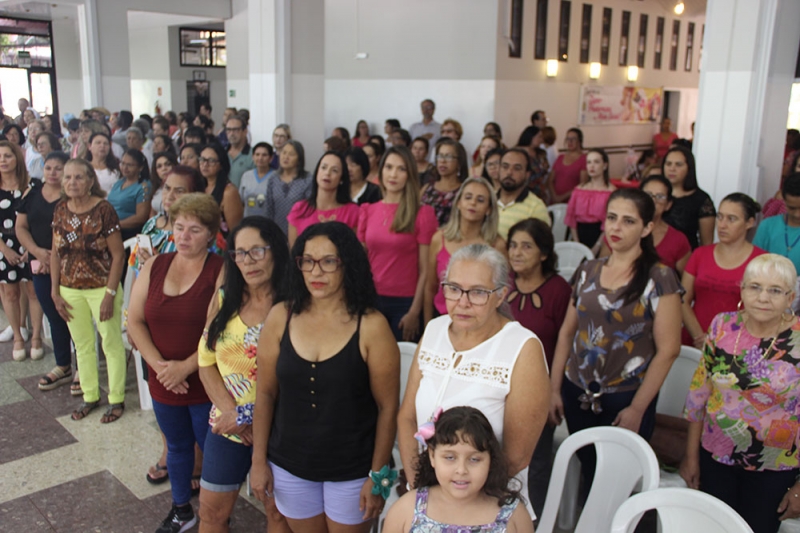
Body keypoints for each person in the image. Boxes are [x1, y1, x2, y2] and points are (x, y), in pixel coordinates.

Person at [250, 221, 400, 532]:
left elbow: (388, 408)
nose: (316, 272)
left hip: (353, 469)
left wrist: (377, 476)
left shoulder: (372, 325)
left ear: (348, 265)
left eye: (329, 261)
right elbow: (264, 393)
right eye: (307, 261)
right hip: (289, 465)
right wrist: (258, 460)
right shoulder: (281, 316)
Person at [398, 244, 550, 519]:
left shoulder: (522, 348)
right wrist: (420, 489)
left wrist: (452, 500)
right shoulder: (434, 330)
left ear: (501, 294)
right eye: (453, 288)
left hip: (489, 503)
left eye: (478, 292)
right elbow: (407, 417)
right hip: (425, 496)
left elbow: (516, 456)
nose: (463, 301)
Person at [548, 188, 683, 486]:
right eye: (611, 218)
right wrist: (554, 388)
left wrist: (638, 408)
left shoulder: (659, 277)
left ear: (647, 227)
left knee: (616, 480)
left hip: (625, 395)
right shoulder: (587, 271)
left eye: (628, 221)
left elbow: (669, 350)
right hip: (577, 389)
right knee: (588, 472)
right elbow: (567, 332)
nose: (616, 228)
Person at [681, 254, 800, 533]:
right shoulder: (722, 326)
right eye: (754, 287)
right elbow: (699, 394)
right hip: (716, 456)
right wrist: (690, 456)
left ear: (790, 298)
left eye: (775, 290)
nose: (763, 297)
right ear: (742, 290)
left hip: (774, 466)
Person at [127, 193, 224, 533]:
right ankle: (181, 510)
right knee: (177, 446)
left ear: (211, 234)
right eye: (179, 227)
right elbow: (135, 320)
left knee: (213, 455)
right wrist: (161, 367)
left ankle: (216, 517)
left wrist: (184, 367)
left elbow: (223, 332)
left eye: (194, 230)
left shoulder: (220, 271)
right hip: (163, 380)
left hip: (205, 382)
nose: (183, 236)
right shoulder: (155, 265)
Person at [197, 217, 291, 532]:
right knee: (211, 515)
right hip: (229, 425)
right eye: (239, 254)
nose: (247, 262)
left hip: (281, 429)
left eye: (257, 252)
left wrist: (250, 415)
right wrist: (233, 412)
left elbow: (301, 378)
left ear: (276, 251)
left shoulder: (295, 306)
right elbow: (205, 360)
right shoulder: (226, 298)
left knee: (278, 515)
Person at [51, 158, 126, 423]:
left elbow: (118, 255)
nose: (72, 182)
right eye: (68, 177)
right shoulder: (61, 209)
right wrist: (55, 291)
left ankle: (116, 399)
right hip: (69, 288)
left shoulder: (103, 209)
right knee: (82, 345)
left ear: (91, 180)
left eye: (79, 177)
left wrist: (110, 293)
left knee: (111, 343)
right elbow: (55, 253)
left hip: (101, 287)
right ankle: (90, 395)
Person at [505, 218, 570, 516]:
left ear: (544, 253)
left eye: (526, 246)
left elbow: (565, 343)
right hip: (500, 385)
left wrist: (554, 391)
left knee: (536, 463)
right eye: (513, 245)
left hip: (538, 389)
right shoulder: (502, 284)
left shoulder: (558, 290)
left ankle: (535, 521)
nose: (517, 253)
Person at [383, 406, 533, 533]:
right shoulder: (405, 509)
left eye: (474, 459)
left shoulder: (514, 516)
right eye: (450, 458)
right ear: (432, 456)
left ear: (490, 460)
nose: (461, 470)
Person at [358, 146, 438, 341]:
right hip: (371, 300)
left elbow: (425, 270)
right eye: (388, 167)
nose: (393, 174)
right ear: (380, 170)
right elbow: (361, 262)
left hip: (405, 303)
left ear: (409, 174)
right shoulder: (368, 210)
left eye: (401, 169)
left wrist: (414, 312)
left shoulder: (422, 214)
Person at [17, 151, 74, 386]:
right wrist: (38, 252)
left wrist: (55, 256)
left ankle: (83, 366)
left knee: (72, 314)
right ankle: (63, 364)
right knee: (53, 314)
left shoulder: (71, 196)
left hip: (69, 264)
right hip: (40, 263)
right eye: (48, 168)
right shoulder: (32, 193)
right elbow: (21, 227)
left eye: (58, 168)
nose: (52, 173)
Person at [681, 193, 766, 348]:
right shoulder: (700, 254)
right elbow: (683, 300)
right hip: (694, 340)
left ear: (749, 223)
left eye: (731, 219)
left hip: (738, 345)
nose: (722, 224)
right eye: (720, 217)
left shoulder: (761, 261)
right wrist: (699, 336)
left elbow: (762, 309)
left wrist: (726, 341)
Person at [423, 177, 506, 325]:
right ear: (459, 203)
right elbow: (430, 288)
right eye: (468, 197)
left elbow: (500, 294)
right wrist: (428, 326)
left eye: (480, 200)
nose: (473, 203)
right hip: (441, 318)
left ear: (489, 209)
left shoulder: (497, 245)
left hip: (479, 323)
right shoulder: (438, 239)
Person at [0, 141, 43, 362]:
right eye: (0, 157)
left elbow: (40, 217)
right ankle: (18, 335)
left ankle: (36, 336)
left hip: (30, 243)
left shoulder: (32, 185)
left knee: (34, 291)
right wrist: (5, 249)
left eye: (7, 156)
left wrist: (30, 246)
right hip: (3, 247)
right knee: (10, 293)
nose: (3, 160)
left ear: (17, 157)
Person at [598, 175, 692, 274]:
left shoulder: (678, 240)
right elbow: (602, 268)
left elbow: (686, 282)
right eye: (648, 194)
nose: (653, 200)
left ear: (668, 204)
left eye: (660, 196)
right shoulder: (617, 233)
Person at [287, 151, 360, 248]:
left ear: (341, 179)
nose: (327, 173)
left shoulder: (353, 211)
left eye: (334, 170)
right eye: (324, 168)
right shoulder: (300, 209)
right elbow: (294, 251)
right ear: (317, 172)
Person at [661, 146, 716, 249]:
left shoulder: (701, 199)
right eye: (668, 164)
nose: (672, 169)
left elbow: (707, 244)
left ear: (689, 168)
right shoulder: (654, 194)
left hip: (687, 257)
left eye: (678, 165)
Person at [564, 149, 616, 248]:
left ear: (605, 165)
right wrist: (577, 243)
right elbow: (571, 218)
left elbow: (610, 223)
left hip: (601, 236)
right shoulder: (579, 190)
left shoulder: (611, 192)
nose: (592, 166)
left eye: (596, 162)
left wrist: (597, 246)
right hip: (578, 235)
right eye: (589, 162)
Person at [496, 148, 550, 240]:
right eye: (505, 166)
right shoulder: (487, 199)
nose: (509, 172)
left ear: (527, 174)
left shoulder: (536, 208)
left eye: (517, 168)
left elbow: (540, 248)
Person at [754, 172, 800, 275]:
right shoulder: (767, 226)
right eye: (792, 208)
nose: (797, 214)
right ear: (784, 201)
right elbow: (756, 264)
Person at [265, 139, 311, 236]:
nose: (286, 157)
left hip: (299, 233)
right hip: (276, 232)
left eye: (291, 154)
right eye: (284, 152)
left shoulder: (307, 180)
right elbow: (269, 209)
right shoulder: (273, 178)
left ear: (299, 159)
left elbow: (310, 211)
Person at [421, 138, 468, 226]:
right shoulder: (426, 189)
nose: (442, 161)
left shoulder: (465, 191)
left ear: (459, 162)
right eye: (440, 156)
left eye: (448, 157)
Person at [108, 149, 152, 242]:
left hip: (128, 234)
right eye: (123, 163)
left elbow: (141, 217)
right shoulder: (119, 182)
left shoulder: (144, 186)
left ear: (140, 167)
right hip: (111, 230)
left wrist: (116, 225)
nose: (125, 167)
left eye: (129, 165)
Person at [200, 143, 243, 237]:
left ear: (221, 165)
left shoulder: (229, 192)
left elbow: (235, 231)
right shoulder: (200, 187)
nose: (205, 164)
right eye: (202, 159)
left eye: (211, 161)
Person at [546, 127, 588, 204]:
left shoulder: (584, 159)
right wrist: (554, 197)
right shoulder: (560, 157)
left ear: (579, 141)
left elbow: (582, 185)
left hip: (571, 202)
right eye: (568, 139)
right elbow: (550, 180)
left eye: (573, 139)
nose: (570, 141)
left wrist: (561, 197)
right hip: (554, 201)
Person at [239, 142, 274, 218]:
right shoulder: (246, 176)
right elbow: (240, 202)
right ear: (253, 157)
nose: (260, 158)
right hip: (248, 221)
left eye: (264, 155)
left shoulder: (276, 177)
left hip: (269, 222)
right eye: (257, 155)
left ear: (271, 158)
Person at [516, 126, 549, 199]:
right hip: (522, 191)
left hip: (539, 192)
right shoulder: (517, 153)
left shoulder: (541, 154)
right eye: (539, 137)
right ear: (531, 137)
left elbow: (545, 170)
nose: (542, 140)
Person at [225, 114, 255, 189]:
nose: (231, 133)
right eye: (228, 130)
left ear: (245, 131)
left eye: (235, 130)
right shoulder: (221, 153)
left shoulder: (254, 155)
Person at [149, 152, 178, 216]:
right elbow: (153, 212)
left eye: (167, 164)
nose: (164, 168)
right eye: (159, 166)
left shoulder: (180, 188)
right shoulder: (157, 188)